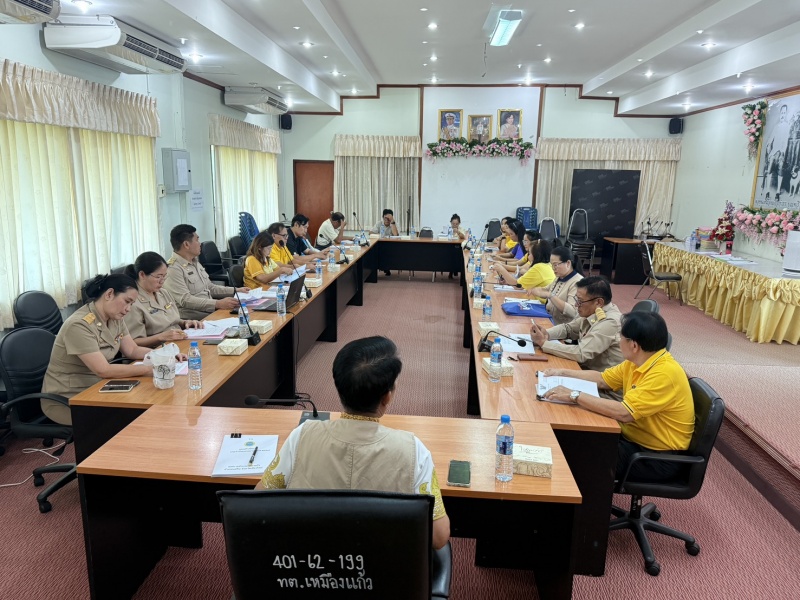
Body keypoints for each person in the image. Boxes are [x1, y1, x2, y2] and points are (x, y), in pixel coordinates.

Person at [256, 336, 450, 549]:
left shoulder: (301, 436)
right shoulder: (413, 450)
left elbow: (258, 501)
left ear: (339, 388)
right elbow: (438, 537)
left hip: (313, 564)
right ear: (387, 397)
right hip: (383, 565)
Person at [540, 312, 694, 482]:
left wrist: (574, 395)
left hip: (655, 456)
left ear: (633, 345)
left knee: (577, 455)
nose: (618, 340)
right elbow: (602, 379)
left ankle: (586, 498)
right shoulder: (639, 361)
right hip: (634, 439)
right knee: (573, 437)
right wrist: (562, 372)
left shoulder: (664, 374)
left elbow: (624, 413)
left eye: (620, 337)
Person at [41, 274, 168, 424]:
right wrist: (148, 369)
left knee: (149, 401)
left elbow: (132, 350)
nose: (128, 309)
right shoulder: (79, 325)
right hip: (70, 397)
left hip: (99, 386)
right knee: (133, 416)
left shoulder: (115, 317)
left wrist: (164, 355)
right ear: (109, 294)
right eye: (127, 301)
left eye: (132, 304)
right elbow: (103, 370)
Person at [530, 276, 624, 392]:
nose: (576, 305)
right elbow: (568, 328)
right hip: (586, 373)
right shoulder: (593, 310)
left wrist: (544, 343)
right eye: (576, 299)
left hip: (604, 389)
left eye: (580, 301)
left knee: (542, 388)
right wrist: (546, 334)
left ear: (598, 302)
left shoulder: (610, 322)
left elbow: (581, 353)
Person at [163, 224, 248, 320]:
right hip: (194, 319)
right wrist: (218, 304)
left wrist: (236, 290)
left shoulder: (194, 262)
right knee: (241, 319)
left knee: (247, 313)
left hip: (210, 311)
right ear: (186, 244)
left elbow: (210, 287)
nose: (200, 244)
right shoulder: (173, 269)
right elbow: (185, 300)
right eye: (197, 240)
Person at [123, 252, 204, 348]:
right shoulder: (132, 302)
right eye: (158, 277)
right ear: (142, 275)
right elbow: (132, 343)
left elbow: (172, 321)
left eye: (164, 276)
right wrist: (161, 337)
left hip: (179, 342)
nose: (162, 281)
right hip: (156, 350)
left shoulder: (163, 293)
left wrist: (185, 323)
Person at [526, 245, 584, 325]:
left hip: (565, 327)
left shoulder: (577, 282)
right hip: (550, 320)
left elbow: (573, 312)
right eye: (552, 265)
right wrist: (534, 289)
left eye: (556, 264)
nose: (553, 268)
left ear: (568, 263)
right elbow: (546, 290)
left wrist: (551, 295)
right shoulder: (560, 277)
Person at [371, 209, 399, 276]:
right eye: (385, 218)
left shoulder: (394, 224)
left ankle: (386, 267)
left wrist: (392, 222)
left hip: (391, 246)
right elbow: (370, 233)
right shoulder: (379, 223)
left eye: (389, 218)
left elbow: (396, 235)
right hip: (379, 245)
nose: (387, 220)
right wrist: (379, 235)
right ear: (383, 217)